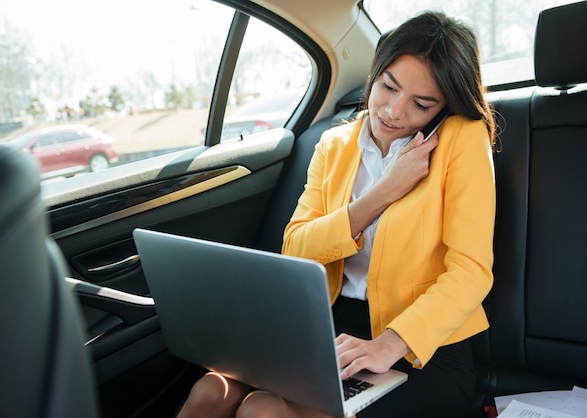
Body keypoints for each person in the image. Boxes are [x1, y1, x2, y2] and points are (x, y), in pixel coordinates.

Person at [176, 10, 496, 418]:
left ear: (443, 106)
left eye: (420, 103)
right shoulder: (333, 144)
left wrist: (389, 344)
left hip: (424, 346)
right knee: (210, 391)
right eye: (388, 87)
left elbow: (471, 272)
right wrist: (382, 192)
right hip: (328, 329)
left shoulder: (462, 141)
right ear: (375, 72)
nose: (394, 112)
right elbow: (296, 248)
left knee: (264, 411)